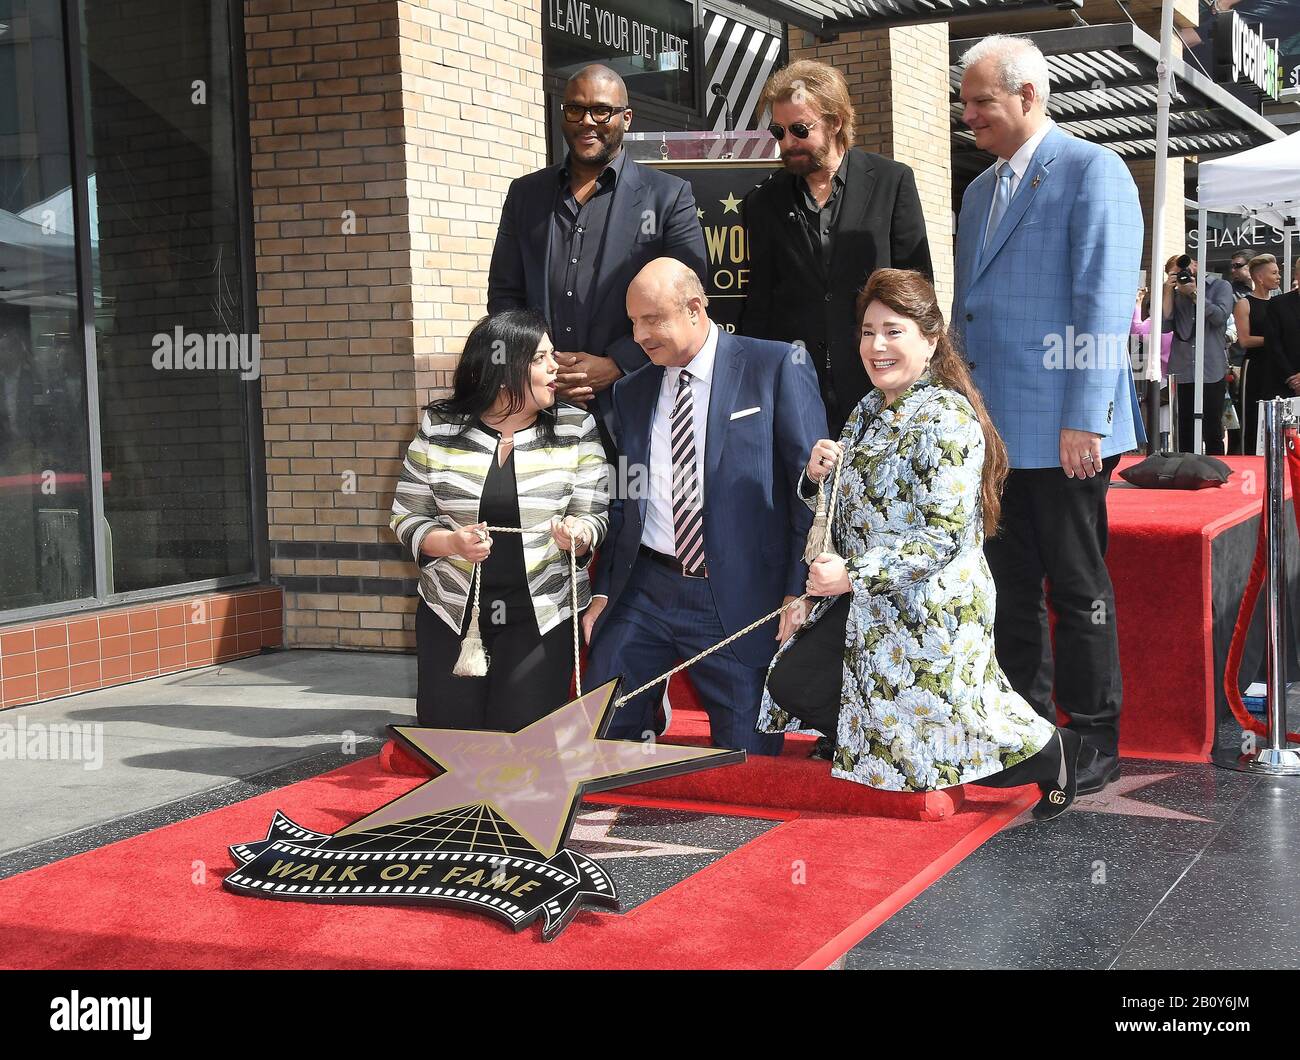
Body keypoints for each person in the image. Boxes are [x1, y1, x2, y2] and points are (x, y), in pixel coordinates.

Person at [761, 269, 1081, 817]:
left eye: (893, 331)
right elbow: (850, 506)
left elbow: (945, 534)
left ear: (931, 340)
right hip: (864, 601)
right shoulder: (866, 410)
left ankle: (1054, 751)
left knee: (957, 722)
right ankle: (881, 746)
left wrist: (853, 576)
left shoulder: (950, 418)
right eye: (867, 332)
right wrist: (817, 477)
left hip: (932, 605)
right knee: (794, 681)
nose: (876, 346)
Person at [953, 35, 1144, 797]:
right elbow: (970, 316)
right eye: (963, 105)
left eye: (980, 104)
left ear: (1028, 94)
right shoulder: (977, 191)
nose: (968, 118)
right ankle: (1027, 730)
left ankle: (1094, 737)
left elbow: (1102, 304)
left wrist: (1086, 419)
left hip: (1067, 430)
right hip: (996, 435)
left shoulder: (1094, 171)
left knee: (1077, 586)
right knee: (1006, 588)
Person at [582, 258, 827, 753]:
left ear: (695, 308)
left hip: (738, 595)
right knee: (602, 734)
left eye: (652, 319)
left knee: (747, 761)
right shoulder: (632, 391)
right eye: (633, 322)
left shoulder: (774, 366)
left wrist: (797, 590)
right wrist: (605, 589)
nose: (639, 335)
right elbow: (626, 499)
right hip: (645, 589)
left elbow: (812, 492)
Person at [389, 309, 609, 731]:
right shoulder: (439, 426)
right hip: (452, 611)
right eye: (542, 358)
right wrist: (452, 544)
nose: (554, 368)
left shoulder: (575, 426)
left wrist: (578, 535)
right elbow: (406, 516)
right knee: (450, 736)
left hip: (541, 613)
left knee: (523, 738)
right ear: (505, 368)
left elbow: (594, 514)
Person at [487, 64, 707, 452]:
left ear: (626, 117)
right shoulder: (525, 195)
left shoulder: (667, 197)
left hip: (634, 400)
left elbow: (688, 300)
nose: (587, 121)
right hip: (542, 406)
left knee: (628, 508)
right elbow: (504, 296)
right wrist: (537, 365)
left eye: (601, 110)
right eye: (575, 109)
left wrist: (618, 363)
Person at [739, 59, 932, 436]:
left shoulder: (892, 183)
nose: (787, 143)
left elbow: (917, 290)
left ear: (836, 122)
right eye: (778, 131)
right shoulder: (763, 202)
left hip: (879, 383)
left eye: (799, 129)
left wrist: (921, 370)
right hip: (796, 389)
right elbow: (760, 300)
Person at [1162, 252, 1233, 455]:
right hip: (1183, 370)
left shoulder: (1220, 286)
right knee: (1185, 429)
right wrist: (1168, 291)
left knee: (1212, 429)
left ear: (1195, 264)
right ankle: (1187, 471)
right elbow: (1164, 324)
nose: (1183, 275)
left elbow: (1219, 317)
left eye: (1184, 269)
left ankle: (1215, 471)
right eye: (1176, 274)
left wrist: (1194, 294)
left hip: (1211, 367)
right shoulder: (1174, 293)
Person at [1235, 253, 1290, 454]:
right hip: (1255, 366)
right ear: (1259, 277)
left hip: (1277, 366)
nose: (1278, 277)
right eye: (1274, 273)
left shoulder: (1282, 303)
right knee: (1252, 415)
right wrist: (1276, 340)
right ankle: (1248, 458)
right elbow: (1245, 340)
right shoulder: (1244, 304)